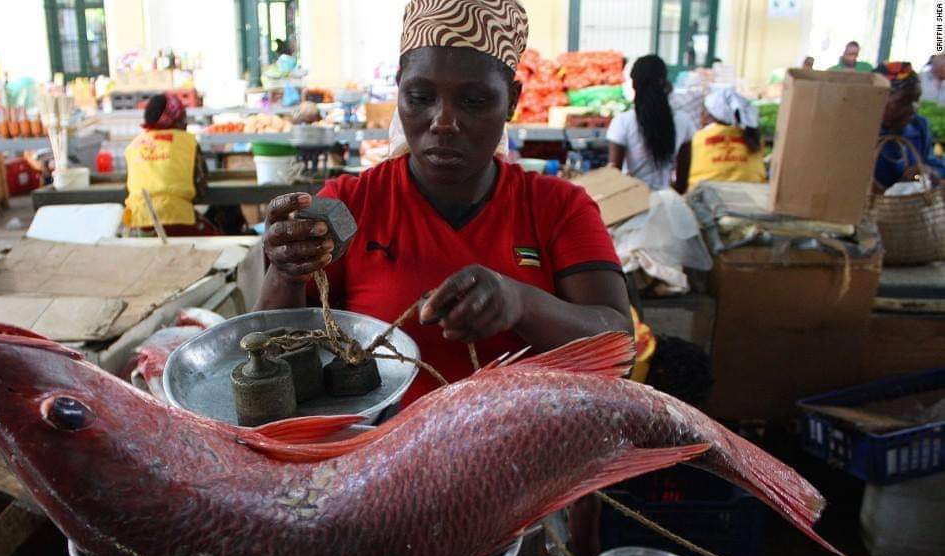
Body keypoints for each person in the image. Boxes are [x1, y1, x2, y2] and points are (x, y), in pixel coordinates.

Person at [256, 0, 632, 409]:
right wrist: (286, 271)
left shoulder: (558, 207)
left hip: (533, 456)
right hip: (384, 459)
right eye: (419, 97)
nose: (443, 122)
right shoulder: (350, 204)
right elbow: (273, 352)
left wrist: (521, 304)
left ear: (511, 100)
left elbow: (620, 348)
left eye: (474, 101)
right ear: (399, 88)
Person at [123, 93, 213, 235]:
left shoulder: (133, 145)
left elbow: (129, 186)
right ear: (178, 116)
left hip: (138, 222)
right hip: (177, 219)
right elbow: (201, 189)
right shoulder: (188, 142)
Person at [607, 55, 695, 193]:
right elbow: (682, 183)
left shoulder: (622, 122)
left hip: (633, 203)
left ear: (634, 84)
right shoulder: (684, 121)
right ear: (665, 82)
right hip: (667, 203)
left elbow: (613, 176)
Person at [874, 62, 945, 190]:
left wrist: (929, 171)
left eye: (916, 100)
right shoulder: (861, 129)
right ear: (879, 100)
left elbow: (936, 165)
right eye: (903, 101)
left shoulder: (919, 126)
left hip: (908, 206)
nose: (914, 108)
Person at [688, 88, 766, 187]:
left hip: (705, 197)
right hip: (753, 196)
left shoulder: (698, 138)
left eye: (703, 112)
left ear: (708, 115)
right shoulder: (754, 138)